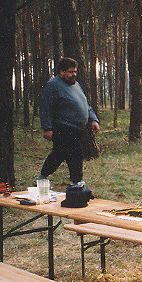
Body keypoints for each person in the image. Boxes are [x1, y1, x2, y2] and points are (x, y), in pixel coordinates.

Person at [38, 57, 99, 188]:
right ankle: (77, 182)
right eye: (71, 72)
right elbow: (45, 107)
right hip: (63, 126)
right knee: (77, 153)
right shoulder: (53, 85)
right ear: (61, 71)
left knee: (59, 154)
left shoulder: (75, 85)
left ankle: (41, 177)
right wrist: (47, 128)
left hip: (76, 128)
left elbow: (86, 105)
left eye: (75, 72)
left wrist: (93, 119)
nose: (74, 75)